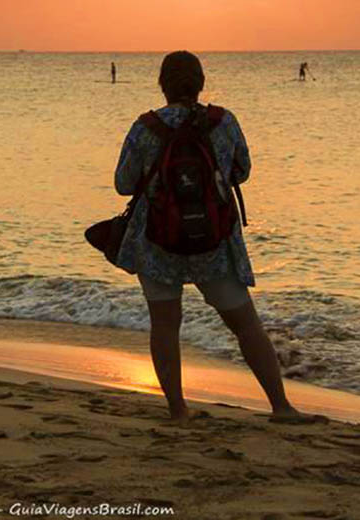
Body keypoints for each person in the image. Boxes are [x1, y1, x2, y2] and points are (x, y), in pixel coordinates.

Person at [114, 51, 314, 426]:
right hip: (215, 241)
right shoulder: (223, 121)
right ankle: (281, 406)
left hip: (157, 240)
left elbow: (123, 184)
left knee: (165, 324)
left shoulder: (145, 127)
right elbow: (243, 170)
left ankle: (178, 411)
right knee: (245, 324)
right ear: (201, 82)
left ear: (163, 85)